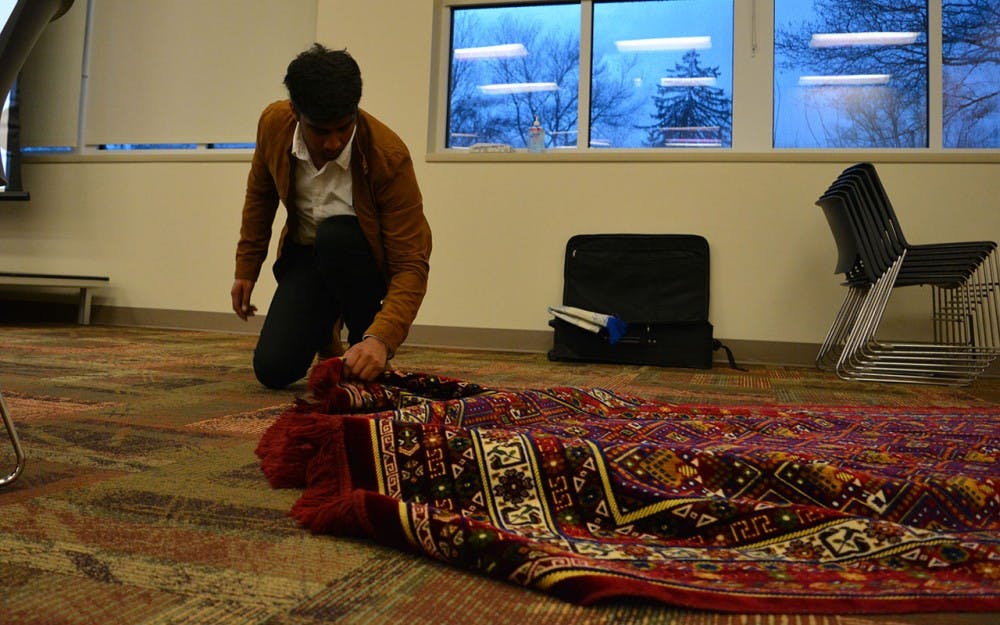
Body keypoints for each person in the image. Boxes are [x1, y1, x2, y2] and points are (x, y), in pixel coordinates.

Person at [231, 44, 431, 389]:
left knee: (336, 235)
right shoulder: (273, 125)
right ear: (296, 111)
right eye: (320, 131)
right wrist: (246, 268)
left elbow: (412, 263)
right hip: (306, 257)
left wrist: (380, 339)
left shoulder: (389, 156)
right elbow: (260, 197)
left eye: (343, 127)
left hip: (363, 264)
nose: (333, 142)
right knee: (273, 370)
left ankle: (360, 337)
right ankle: (326, 329)